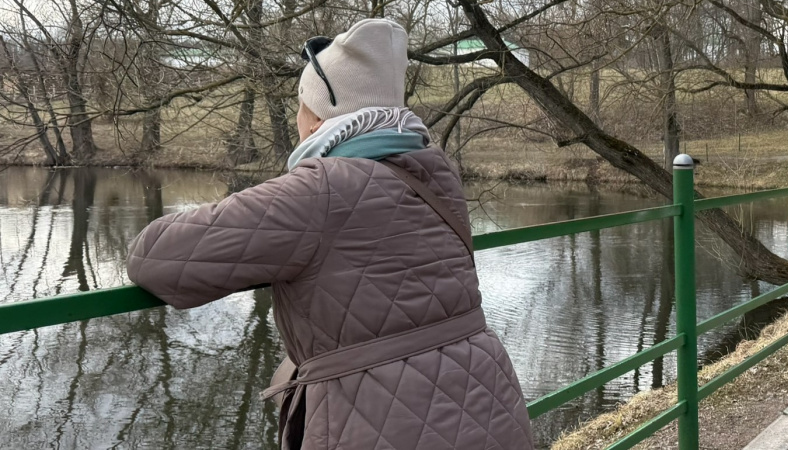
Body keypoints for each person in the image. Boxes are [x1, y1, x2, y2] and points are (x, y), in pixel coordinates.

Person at [127, 18, 534, 450]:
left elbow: (155, 258)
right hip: (485, 403)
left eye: (301, 104)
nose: (298, 118)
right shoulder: (434, 172)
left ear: (320, 114)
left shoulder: (320, 189)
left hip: (381, 422)